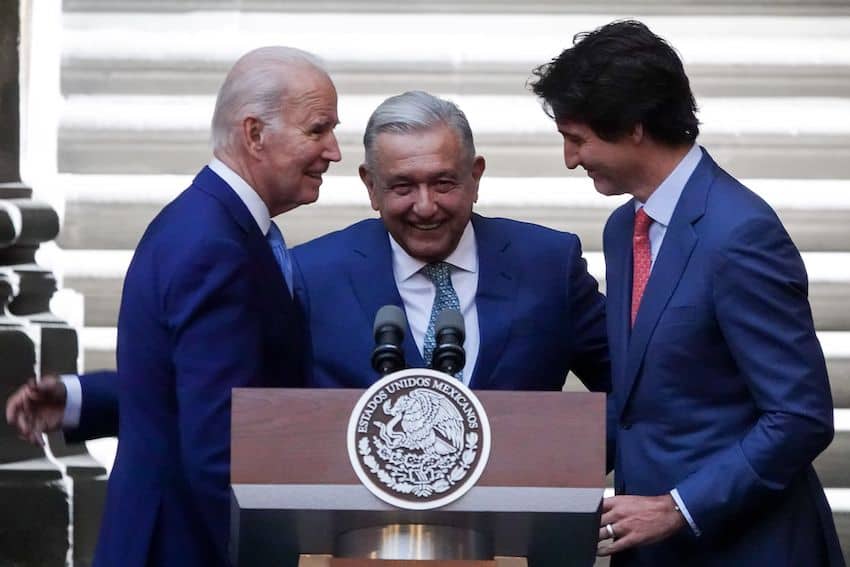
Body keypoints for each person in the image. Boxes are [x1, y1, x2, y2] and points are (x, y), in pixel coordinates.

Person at [7, 46, 341, 567]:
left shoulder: (205, 220)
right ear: (254, 134)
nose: (334, 151)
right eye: (317, 130)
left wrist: (84, 398)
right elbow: (216, 451)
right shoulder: (214, 244)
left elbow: (194, 383)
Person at [531, 20, 843, 566]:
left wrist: (678, 509)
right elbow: (643, 402)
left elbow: (799, 417)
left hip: (749, 548)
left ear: (633, 127)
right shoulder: (623, 228)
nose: (570, 159)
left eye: (577, 139)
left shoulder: (739, 233)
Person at [294, 90, 610, 393]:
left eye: (443, 184)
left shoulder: (548, 265)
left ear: (475, 177)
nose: (425, 206)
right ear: (371, 186)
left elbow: (629, 394)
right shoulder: (312, 276)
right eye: (403, 187)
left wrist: (571, 442)